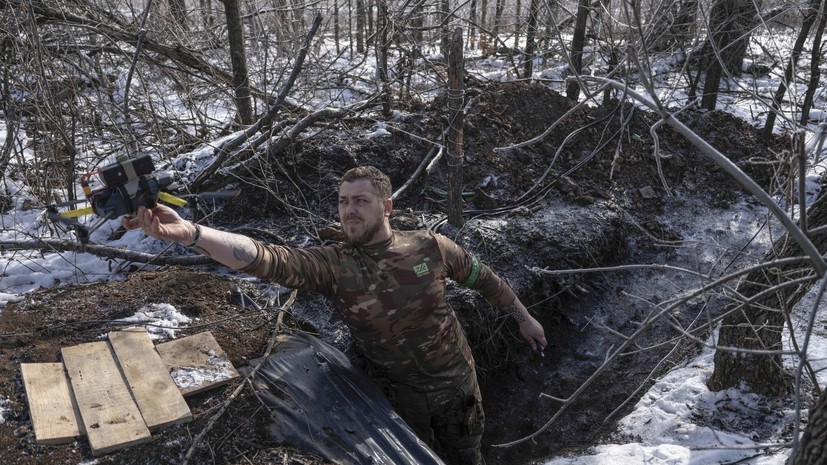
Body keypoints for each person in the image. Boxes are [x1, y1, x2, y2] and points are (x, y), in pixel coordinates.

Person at [124, 165, 547, 465]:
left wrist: (523, 317)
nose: (349, 211)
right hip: (396, 403)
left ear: (386, 206)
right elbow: (266, 259)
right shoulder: (334, 264)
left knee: (467, 457)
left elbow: (484, 279)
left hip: (458, 388)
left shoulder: (429, 246)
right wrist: (194, 234)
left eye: (360, 201)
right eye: (343, 202)